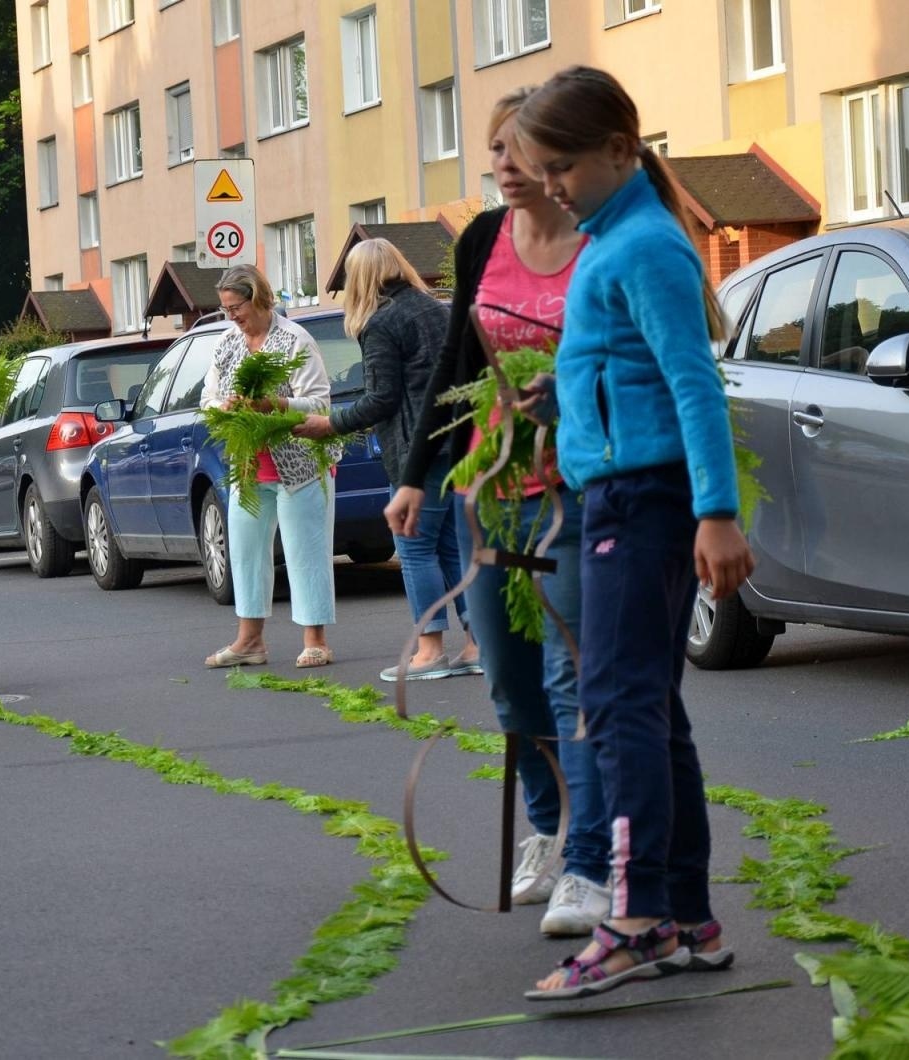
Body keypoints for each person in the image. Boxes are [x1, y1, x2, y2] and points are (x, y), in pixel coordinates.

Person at [512, 66, 755, 999]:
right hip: (626, 494)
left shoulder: (643, 246)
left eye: (562, 166)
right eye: (542, 170)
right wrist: (560, 395)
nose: (552, 186)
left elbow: (692, 383)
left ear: (621, 150)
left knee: (615, 707)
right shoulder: (616, 239)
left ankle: (639, 919)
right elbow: (631, 374)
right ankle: (684, 916)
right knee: (654, 713)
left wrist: (717, 511)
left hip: (641, 505)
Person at [383, 87, 611, 937]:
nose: (503, 169)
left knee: (569, 677)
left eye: (517, 152)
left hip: (579, 490)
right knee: (510, 683)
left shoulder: (599, 240)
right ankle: (548, 830)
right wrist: (416, 475)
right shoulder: (483, 238)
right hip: (492, 494)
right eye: (493, 152)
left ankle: (590, 861)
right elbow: (453, 362)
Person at [293, 239, 479, 683]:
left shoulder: (382, 322)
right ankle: (477, 644)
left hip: (416, 451)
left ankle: (430, 650)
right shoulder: (439, 308)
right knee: (452, 547)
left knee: (413, 548)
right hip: (460, 445)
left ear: (361, 279)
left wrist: (331, 424)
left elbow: (381, 399)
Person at [201, 264, 338, 670]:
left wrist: (274, 405)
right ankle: (250, 641)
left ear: (258, 298)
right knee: (245, 552)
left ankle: (316, 640)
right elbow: (207, 396)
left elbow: (319, 403)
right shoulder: (227, 342)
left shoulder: (295, 340)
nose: (232, 316)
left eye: (236, 307)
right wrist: (223, 407)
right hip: (247, 464)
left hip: (300, 465)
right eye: (226, 309)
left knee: (305, 552)